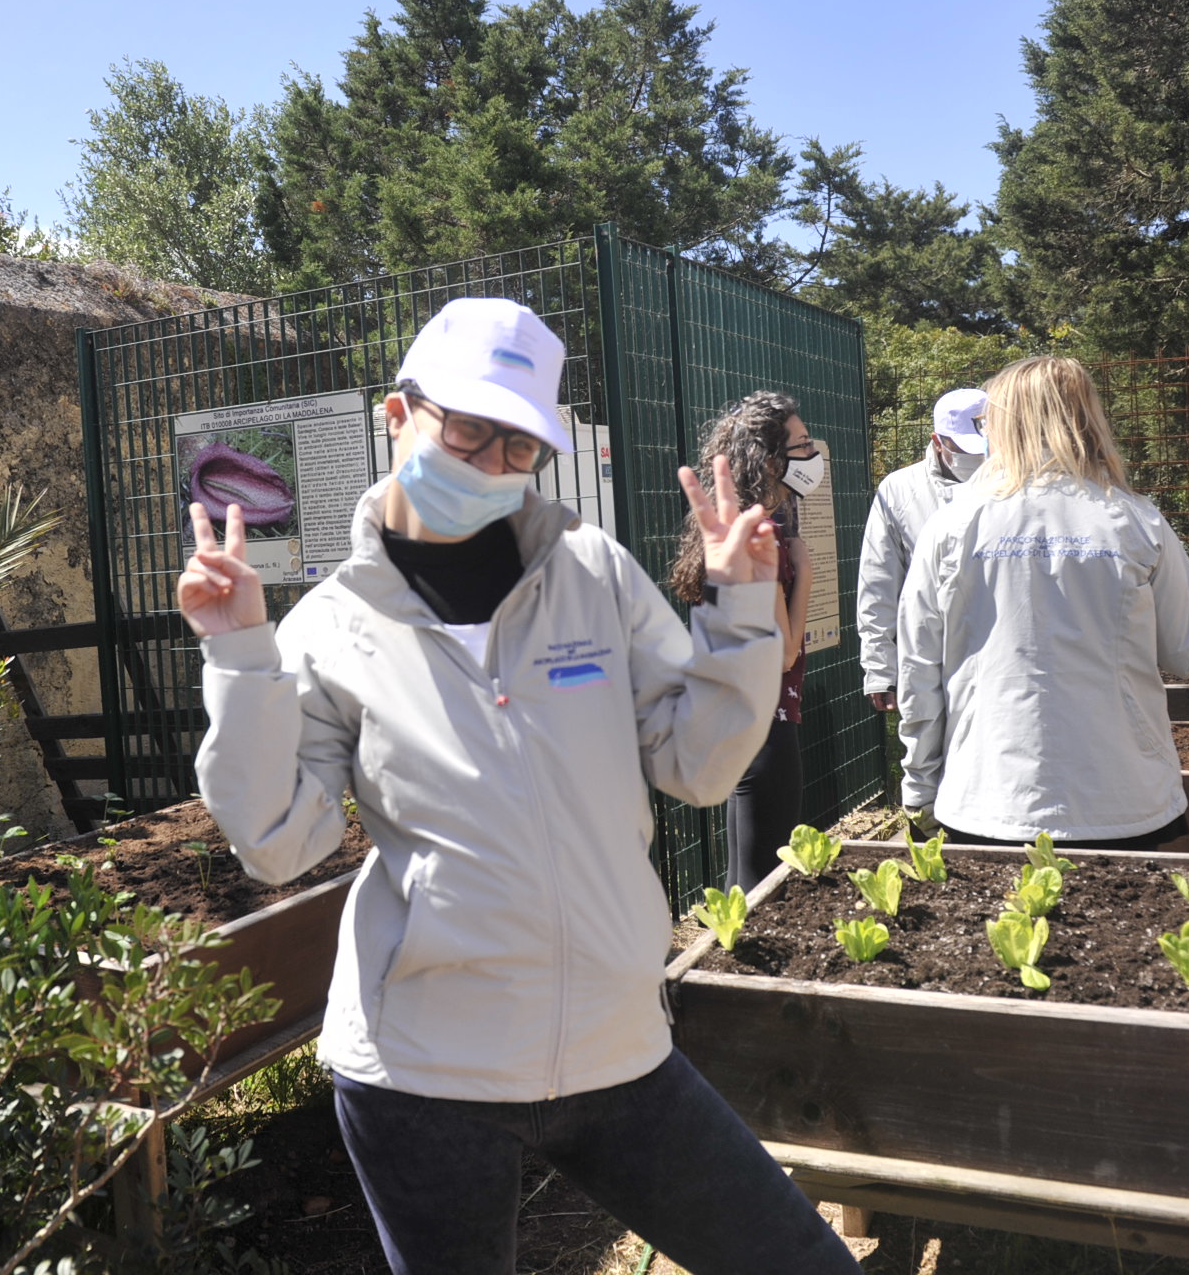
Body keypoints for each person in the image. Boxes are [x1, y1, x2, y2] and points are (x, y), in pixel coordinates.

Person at [178, 297, 861, 1275]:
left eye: (520, 446)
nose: (493, 463)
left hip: (618, 1052)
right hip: (422, 1080)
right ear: (397, 414)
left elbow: (701, 769)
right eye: (470, 430)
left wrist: (742, 605)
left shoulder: (592, 572)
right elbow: (277, 842)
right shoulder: (327, 628)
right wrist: (241, 656)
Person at [896, 355, 1189, 846]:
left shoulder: (950, 526)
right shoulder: (1133, 521)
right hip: (1125, 801)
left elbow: (918, 669)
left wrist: (919, 785)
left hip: (985, 802)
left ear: (1001, 426)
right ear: (1087, 419)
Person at [668, 391, 819, 891]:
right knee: (766, 885)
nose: (810, 454)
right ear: (770, 459)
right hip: (769, 721)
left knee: (744, 878)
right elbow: (783, 653)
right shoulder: (763, 537)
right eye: (799, 445)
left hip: (740, 723)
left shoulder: (731, 528)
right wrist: (808, 576)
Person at [856, 386, 988, 718]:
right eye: (963, 447)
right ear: (937, 440)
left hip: (996, 656)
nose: (977, 457)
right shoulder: (899, 491)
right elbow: (878, 582)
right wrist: (880, 670)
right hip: (927, 660)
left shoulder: (1010, 482)